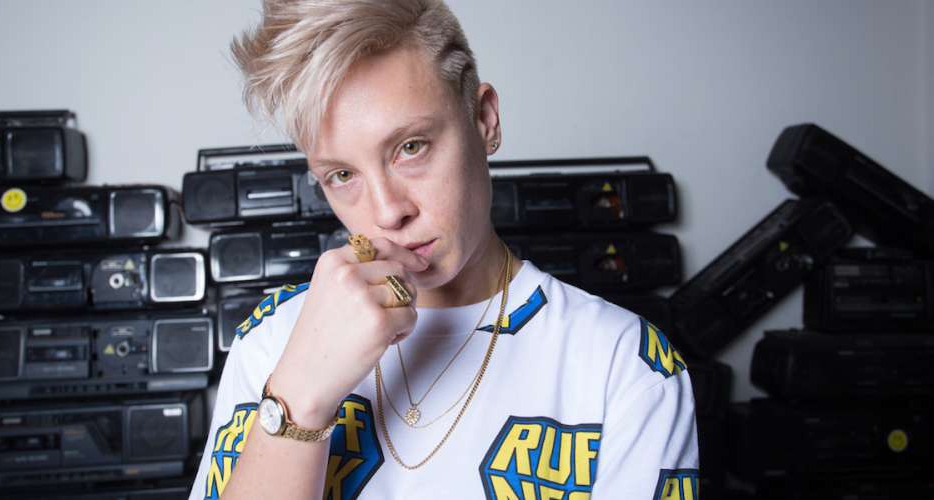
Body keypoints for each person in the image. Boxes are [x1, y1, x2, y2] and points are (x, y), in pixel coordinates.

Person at [190, 1, 699, 498]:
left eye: (410, 147)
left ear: (485, 118)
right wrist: (300, 397)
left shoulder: (623, 364)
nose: (388, 211)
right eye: (342, 175)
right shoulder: (273, 340)